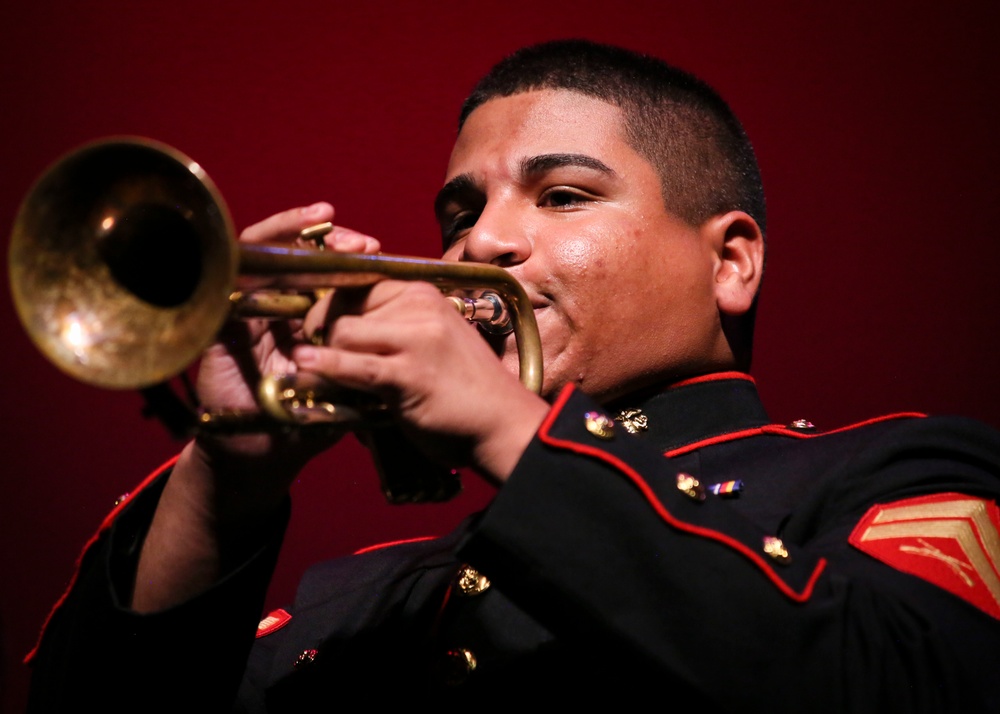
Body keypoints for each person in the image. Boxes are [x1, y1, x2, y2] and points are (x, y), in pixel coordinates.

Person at [25, 39, 1000, 712]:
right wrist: (222, 475)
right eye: (459, 211)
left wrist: (507, 429)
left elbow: (905, 689)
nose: (480, 240)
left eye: (563, 194)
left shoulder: (896, 474)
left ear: (730, 261)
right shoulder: (357, 599)